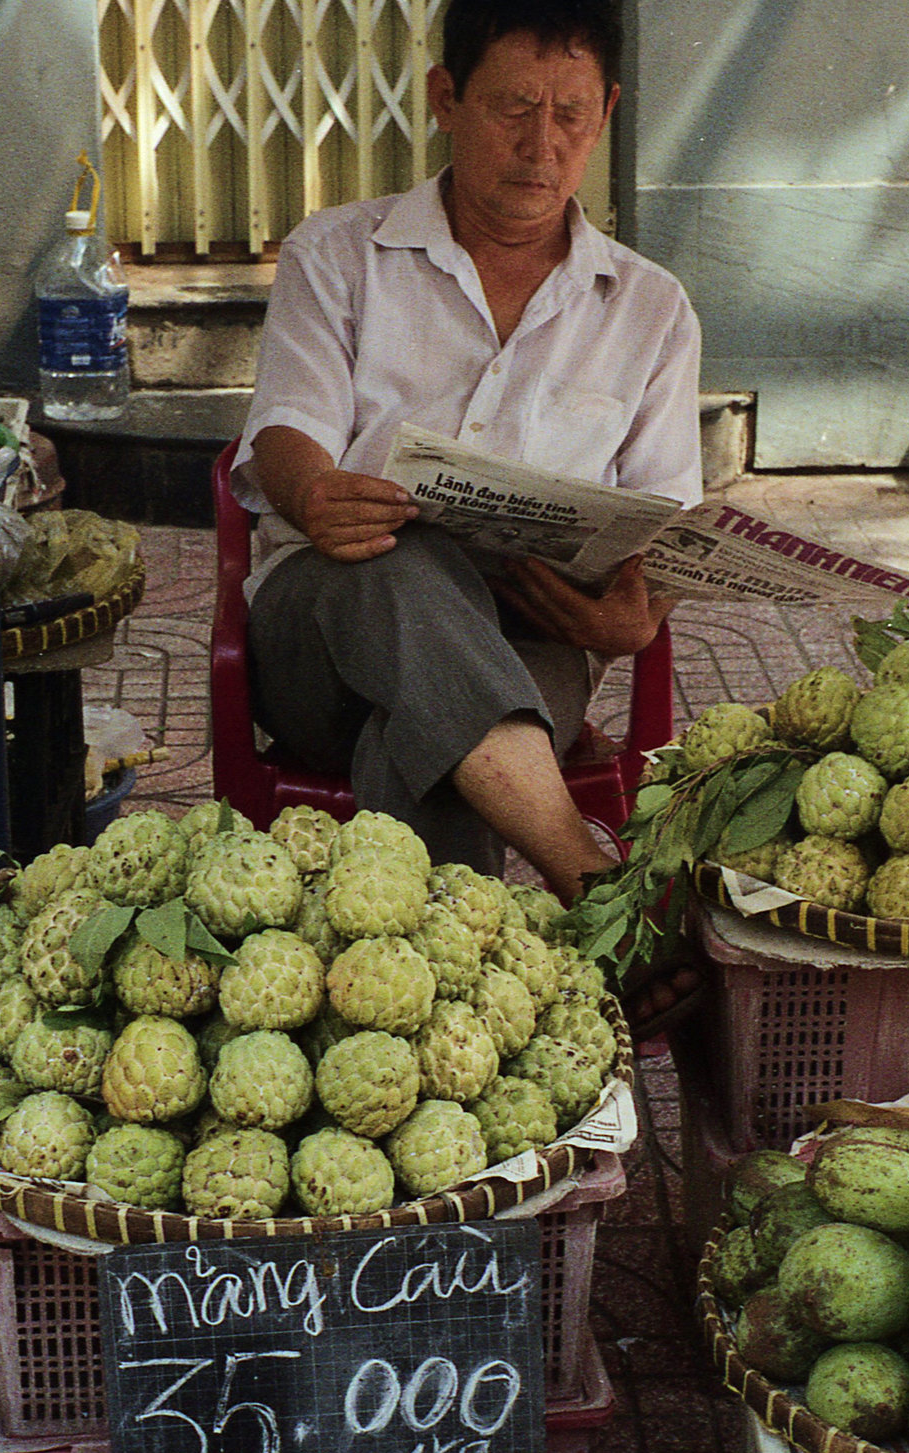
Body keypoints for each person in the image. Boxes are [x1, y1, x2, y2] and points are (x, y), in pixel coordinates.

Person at [230, 0, 702, 897]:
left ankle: (437, 1011)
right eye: (514, 108)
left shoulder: (651, 309)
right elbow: (288, 427)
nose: (541, 145)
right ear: (447, 99)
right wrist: (317, 492)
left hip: (536, 635)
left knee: (431, 746)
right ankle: (590, 877)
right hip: (329, 621)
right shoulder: (337, 255)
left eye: (569, 115)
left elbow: (663, 523)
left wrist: (633, 618)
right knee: (399, 564)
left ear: (605, 114)